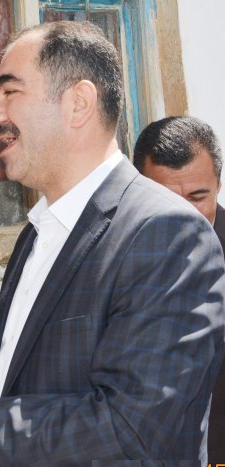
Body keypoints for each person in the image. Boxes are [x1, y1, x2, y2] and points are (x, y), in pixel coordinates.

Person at [0, 21, 225, 464]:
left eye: (10, 92)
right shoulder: (39, 231)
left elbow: (132, 429)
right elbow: (23, 372)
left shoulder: (167, 232)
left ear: (78, 103)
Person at [133, 115, 225, 462]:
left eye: (198, 197)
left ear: (219, 184)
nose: (187, 215)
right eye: (166, 198)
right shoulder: (110, 256)